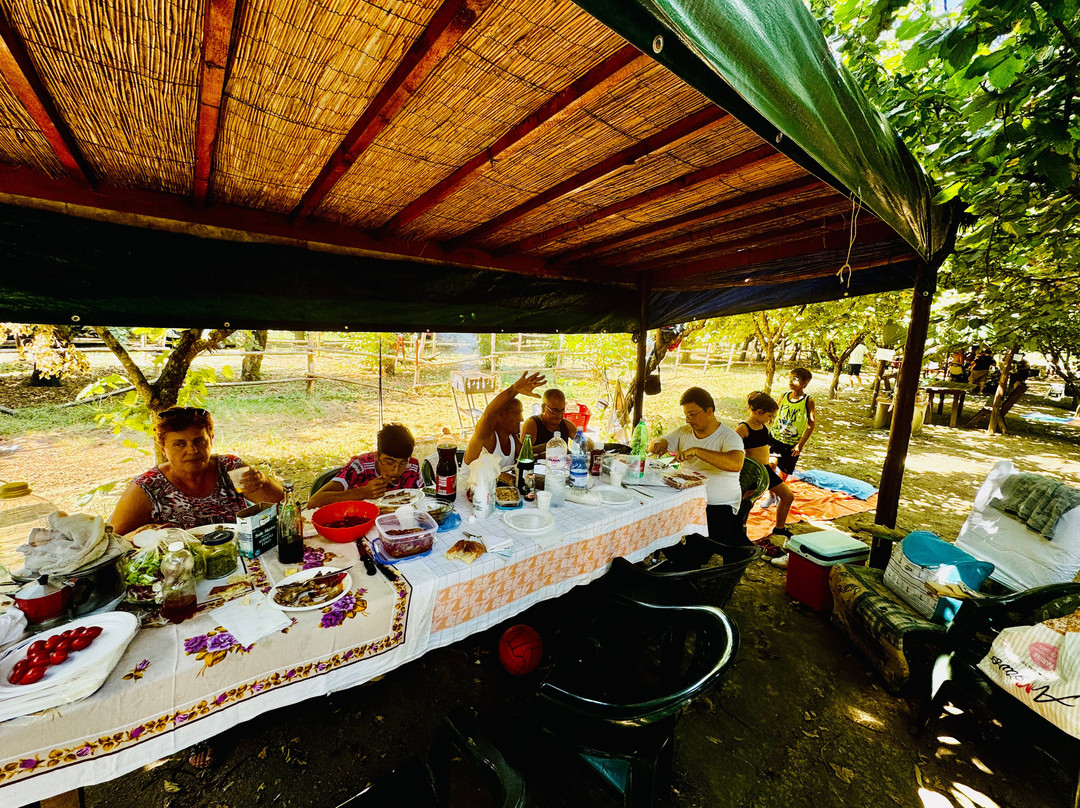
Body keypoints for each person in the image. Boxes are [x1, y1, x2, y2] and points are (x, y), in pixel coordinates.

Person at [109, 407, 283, 536]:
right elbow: (115, 541)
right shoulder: (147, 487)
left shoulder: (229, 467)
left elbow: (283, 509)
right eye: (179, 444)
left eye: (199, 441)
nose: (192, 450)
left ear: (211, 440)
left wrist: (263, 481)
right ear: (163, 448)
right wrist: (138, 535)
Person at [649, 387, 746, 545]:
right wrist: (659, 443)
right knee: (653, 522)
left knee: (696, 553)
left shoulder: (729, 437)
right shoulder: (684, 431)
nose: (688, 420)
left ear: (709, 411)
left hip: (717, 506)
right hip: (684, 499)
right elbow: (656, 444)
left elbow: (736, 464)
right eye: (686, 415)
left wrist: (697, 451)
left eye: (692, 415)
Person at [735, 392, 794, 559]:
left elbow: (763, 448)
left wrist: (772, 459)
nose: (771, 419)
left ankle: (779, 528)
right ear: (758, 411)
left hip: (765, 470)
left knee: (788, 496)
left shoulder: (763, 427)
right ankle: (738, 531)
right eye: (769, 415)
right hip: (750, 473)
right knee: (745, 505)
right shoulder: (743, 429)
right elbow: (732, 449)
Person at [308, 423, 422, 509]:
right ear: (377, 456)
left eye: (402, 463)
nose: (396, 470)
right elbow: (314, 501)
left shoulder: (413, 466)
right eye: (389, 462)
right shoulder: (360, 466)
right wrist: (362, 492)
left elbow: (424, 497)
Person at [463, 371, 545, 467]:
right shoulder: (486, 437)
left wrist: (549, 447)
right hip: (472, 483)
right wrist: (514, 389)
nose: (521, 419)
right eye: (516, 413)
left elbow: (526, 453)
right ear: (500, 415)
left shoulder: (511, 437)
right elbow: (489, 413)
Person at [768, 368, 816, 481]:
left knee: (784, 471)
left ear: (804, 384)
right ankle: (771, 491)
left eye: (795, 379)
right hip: (775, 438)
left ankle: (776, 491)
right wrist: (770, 417)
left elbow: (810, 425)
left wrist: (800, 444)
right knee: (771, 464)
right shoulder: (783, 396)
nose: (790, 381)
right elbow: (773, 412)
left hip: (791, 444)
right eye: (790, 378)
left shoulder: (808, 401)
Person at [521, 388, 580, 459]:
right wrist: (549, 447)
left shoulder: (566, 424)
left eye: (562, 410)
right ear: (543, 407)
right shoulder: (532, 424)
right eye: (554, 410)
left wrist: (587, 443)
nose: (559, 415)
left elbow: (584, 442)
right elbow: (522, 452)